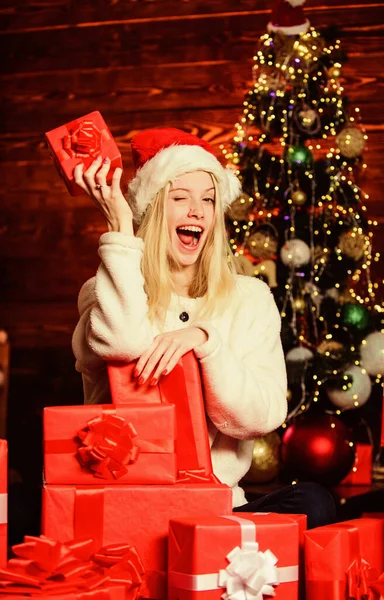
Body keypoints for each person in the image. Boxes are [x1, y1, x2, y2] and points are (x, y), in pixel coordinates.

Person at [71, 127, 336, 527]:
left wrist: (204, 342)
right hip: (127, 504)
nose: (197, 211)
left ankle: (207, 556)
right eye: (180, 198)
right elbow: (122, 345)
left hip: (217, 509)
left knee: (315, 502)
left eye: (208, 200)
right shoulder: (105, 289)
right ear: (155, 210)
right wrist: (121, 232)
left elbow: (260, 417)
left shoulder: (249, 298)